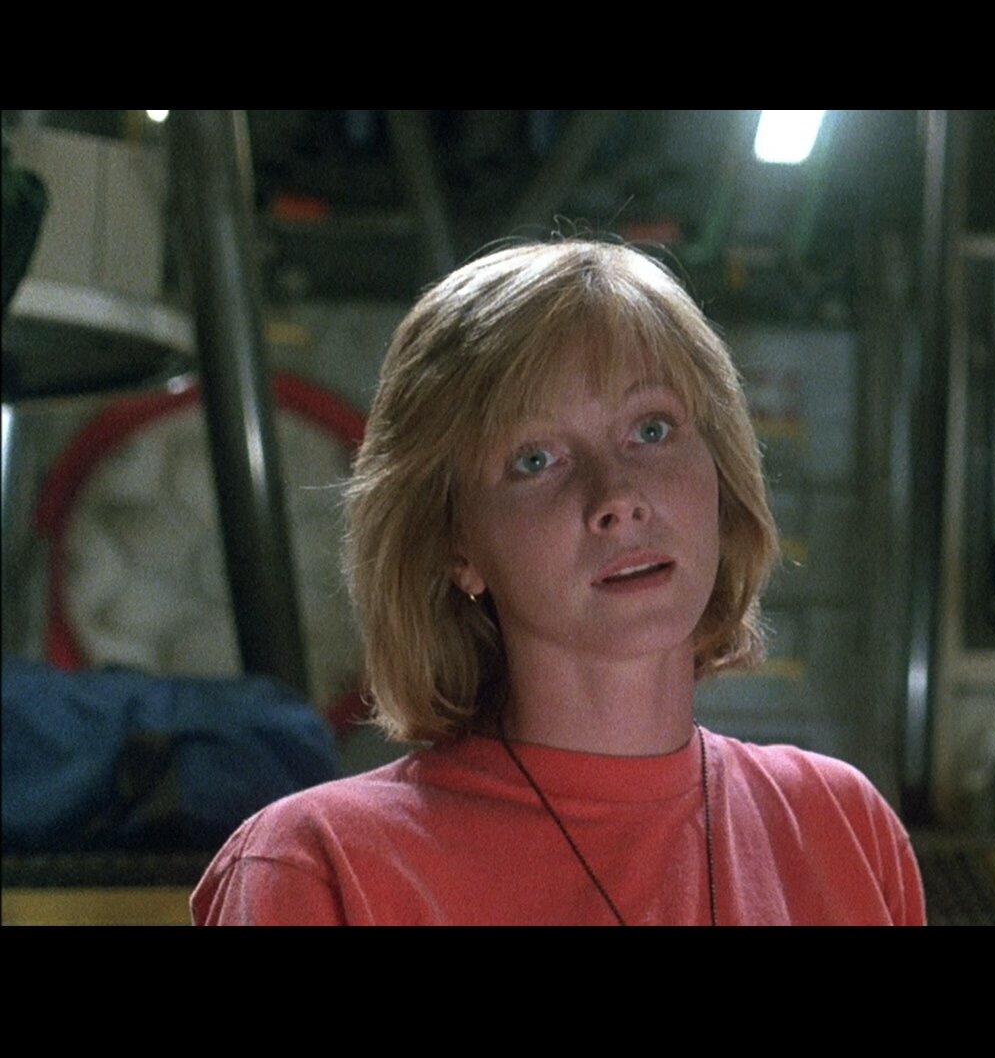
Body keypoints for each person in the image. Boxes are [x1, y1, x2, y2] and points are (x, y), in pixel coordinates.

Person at [192, 240, 925, 925]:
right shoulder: (320, 866)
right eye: (535, 459)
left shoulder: (843, 827)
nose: (618, 497)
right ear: (455, 544)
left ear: (720, 472)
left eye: (651, 430)